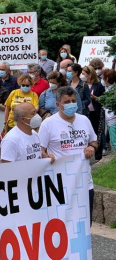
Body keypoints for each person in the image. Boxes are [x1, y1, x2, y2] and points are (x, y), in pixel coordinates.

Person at [39, 86, 97, 225]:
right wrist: (46, 156)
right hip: (60, 185)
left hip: (84, 183)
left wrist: (91, 147)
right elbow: (40, 150)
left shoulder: (84, 120)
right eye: (67, 102)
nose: (71, 104)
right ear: (58, 104)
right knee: (63, 225)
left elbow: (94, 141)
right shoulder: (48, 124)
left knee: (84, 225)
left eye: (73, 100)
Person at [82, 65, 105, 161]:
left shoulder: (98, 85)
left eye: (84, 74)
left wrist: (94, 97)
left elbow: (103, 99)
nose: (82, 76)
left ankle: (98, 155)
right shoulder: (82, 85)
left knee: (97, 132)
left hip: (96, 111)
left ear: (90, 74)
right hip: (87, 112)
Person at [102, 69, 116, 151]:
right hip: (111, 119)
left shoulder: (112, 90)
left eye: (103, 77)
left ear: (106, 79)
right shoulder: (108, 89)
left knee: (114, 142)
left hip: (113, 119)